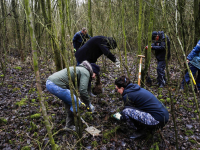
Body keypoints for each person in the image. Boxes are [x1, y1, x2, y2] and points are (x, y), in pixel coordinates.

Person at [46, 61, 100, 130]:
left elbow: (72, 89)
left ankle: (69, 125)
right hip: (55, 85)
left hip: (50, 83)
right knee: (76, 103)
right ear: (93, 71)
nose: (95, 77)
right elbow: (83, 90)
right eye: (95, 74)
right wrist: (88, 104)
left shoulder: (79, 69)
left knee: (71, 102)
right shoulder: (86, 72)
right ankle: (74, 124)